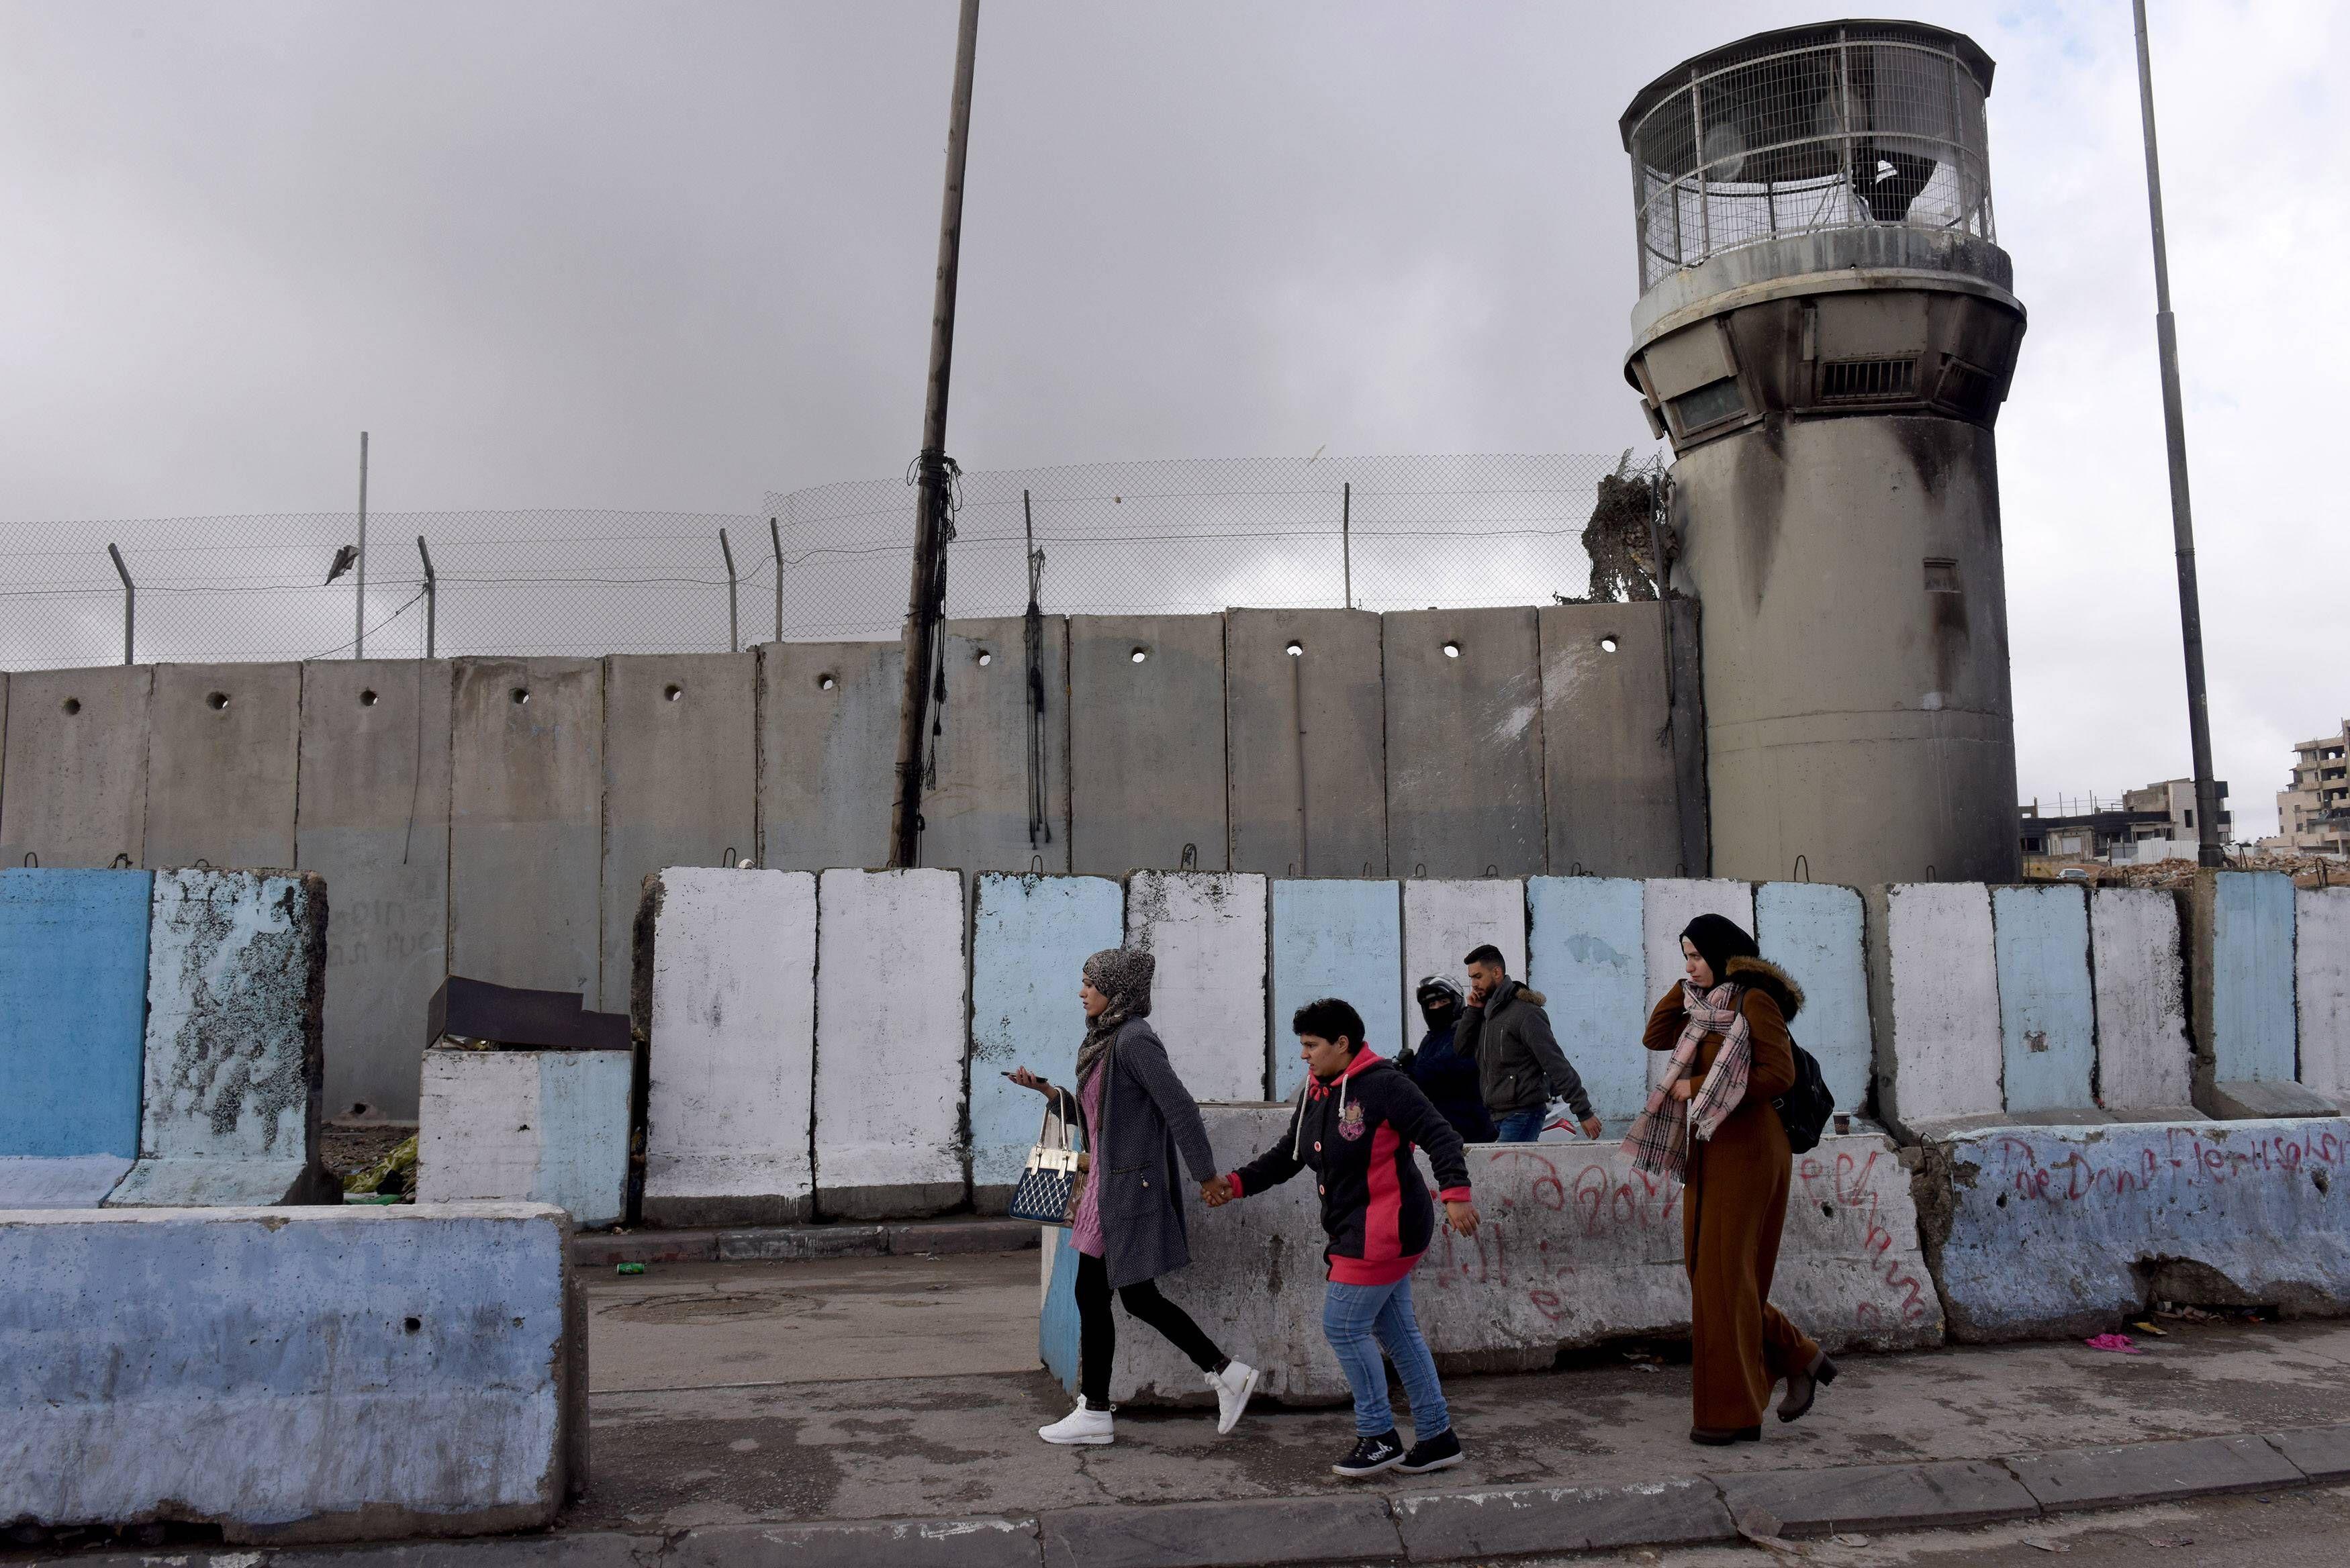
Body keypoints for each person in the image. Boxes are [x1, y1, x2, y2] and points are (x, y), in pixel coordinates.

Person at [1203, 997, 1480, 1479]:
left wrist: (1455, 1193)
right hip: (1353, 1227)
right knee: (1396, 1331)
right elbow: (1289, 1155)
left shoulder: (1387, 1086)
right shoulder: (1316, 1091)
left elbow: (1441, 1135)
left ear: (1342, 1044)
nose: (1304, 1055)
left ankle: (1379, 1437)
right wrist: (1238, 1183)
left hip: (1386, 1227)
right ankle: (1437, 1437)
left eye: (1311, 1046)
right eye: (1303, 1046)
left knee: (1343, 1326)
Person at [1010, 948, 1258, 1446]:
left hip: (1125, 1188)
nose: (1082, 991)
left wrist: (1206, 1175)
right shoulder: (1106, 1041)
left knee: (1103, 1293)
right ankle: (1218, 1374)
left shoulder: (1135, 1040)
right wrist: (1048, 1093)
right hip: (1108, 1184)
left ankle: (1101, 1410)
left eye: (1089, 982)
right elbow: (1102, 1118)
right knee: (1133, 1297)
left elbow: (1180, 1108)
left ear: (1116, 989)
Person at [1628, 912, 1837, 1445]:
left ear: (1724, 956)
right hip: (1709, 1146)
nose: (1690, 965)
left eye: (1697, 956)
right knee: (1708, 1272)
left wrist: (1697, 1084)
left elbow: (1779, 1074)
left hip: (1749, 1148)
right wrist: (1685, 987)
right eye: (1686, 956)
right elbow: (1655, 1036)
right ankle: (1798, 1354)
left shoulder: (1753, 1002)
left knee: (1724, 1274)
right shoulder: (1704, 1008)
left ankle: (1732, 1415)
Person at [1455, 944, 1602, 1143]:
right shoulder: (1486, 1014)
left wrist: (1583, 1111)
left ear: (1496, 972)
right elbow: (1461, 1050)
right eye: (1471, 977)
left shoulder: (1526, 1014)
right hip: (1495, 1116)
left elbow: (1555, 1063)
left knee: (1503, 1173)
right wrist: (1472, 1010)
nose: (1473, 983)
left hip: (1523, 1115)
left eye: (1478, 976)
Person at [1395, 975, 1496, 1146]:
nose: (1437, 1008)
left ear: (1456, 1001)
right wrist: (1402, 1066)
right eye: (1432, 1005)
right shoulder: (1431, 1039)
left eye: (1442, 1002)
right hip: (1442, 1130)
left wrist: (1405, 1074)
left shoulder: (1467, 1033)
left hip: (1470, 1129)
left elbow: (1444, 1066)